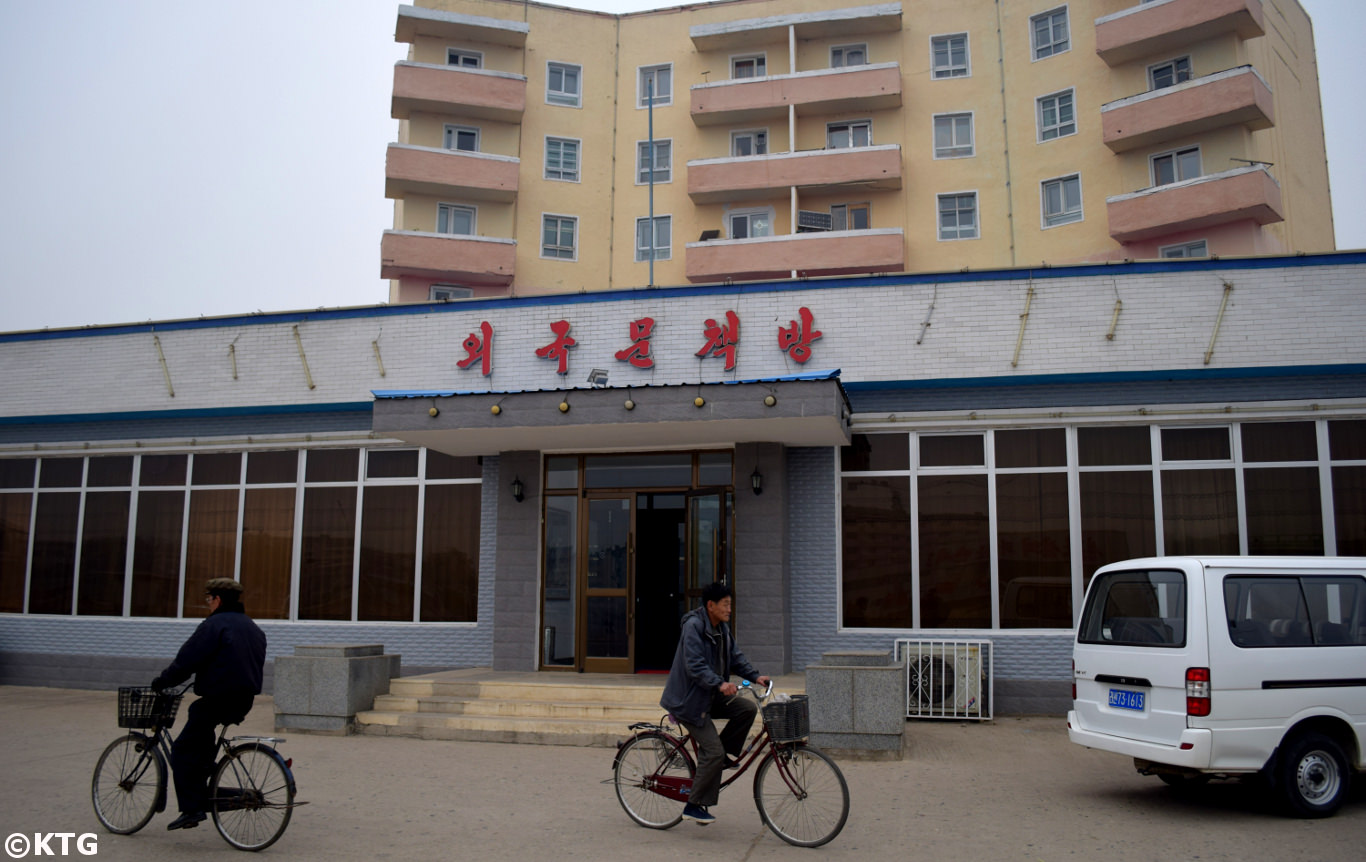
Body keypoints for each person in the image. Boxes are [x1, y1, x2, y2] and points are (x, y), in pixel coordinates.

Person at [151, 577, 267, 831]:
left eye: (208, 600)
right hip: (243, 700)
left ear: (217, 599)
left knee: (182, 750)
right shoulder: (252, 627)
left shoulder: (214, 625)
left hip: (218, 698)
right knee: (200, 730)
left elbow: (187, 660)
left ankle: (192, 809)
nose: (207, 605)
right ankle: (205, 776)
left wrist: (162, 681)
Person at [660, 581, 770, 825]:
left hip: (709, 695)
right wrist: (720, 684)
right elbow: (695, 665)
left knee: (747, 708)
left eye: (730, 604)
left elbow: (735, 657)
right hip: (688, 701)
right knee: (713, 751)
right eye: (726, 604)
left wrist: (755, 676)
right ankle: (693, 805)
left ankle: (718, 759)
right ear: (711, 605)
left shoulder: (722, 629)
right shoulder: (694, 626)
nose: (730, 609)